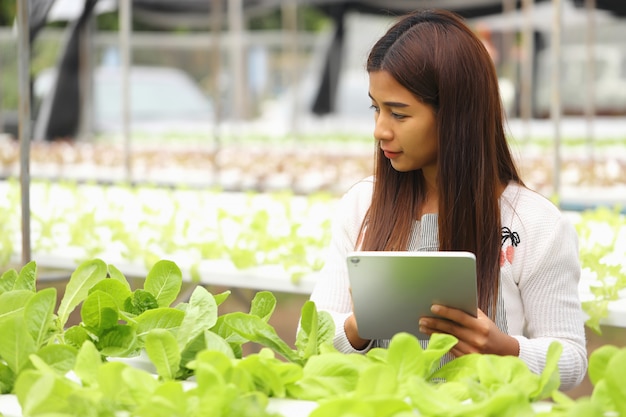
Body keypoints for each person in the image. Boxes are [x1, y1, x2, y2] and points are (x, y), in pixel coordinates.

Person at [308, 8, 587, 391]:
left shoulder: (535, 224)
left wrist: (505, 349)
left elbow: (571, 360)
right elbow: (315, 336)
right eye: (377, 108)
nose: (380, 130)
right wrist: (356, 327)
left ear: (457, 115)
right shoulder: (362, 207)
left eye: (399, 114)